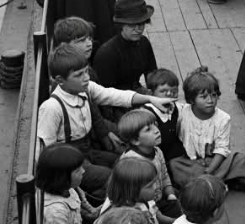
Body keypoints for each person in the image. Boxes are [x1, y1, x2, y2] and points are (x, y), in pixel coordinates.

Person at [37, 44, 173, 203]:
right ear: (60, 80)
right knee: (111, 177)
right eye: (79, 74)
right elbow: (46, 151)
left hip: (88, 150)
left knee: (124, 162)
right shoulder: (52, 108)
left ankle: (147, 198)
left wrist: (151, 99)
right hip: (69, 164)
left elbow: (113, 95)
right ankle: (119, 205)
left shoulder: (86, 89)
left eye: (86, 71)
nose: (86, 77)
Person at [168, 66, 245, 193]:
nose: (210, 101)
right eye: (203, 97)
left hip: (213, 161)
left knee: (242, 161)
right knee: (174, 165)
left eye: (214, 95)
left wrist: (210, 170)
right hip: (189, 161)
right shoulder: (182, 112)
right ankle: (216, 183)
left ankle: (208, 183)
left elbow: (222, 148)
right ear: (192, 99)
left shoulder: (223, 118)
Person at [52, 16, 124, 151]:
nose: (89, 44)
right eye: (81, 41)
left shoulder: (84, 69)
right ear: (64, 46)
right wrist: (106, 133)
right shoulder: (69, 82)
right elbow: (93, 113)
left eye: (89, 38)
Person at [93, 0, 158, 125]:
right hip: (114, 103)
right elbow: (104, 95)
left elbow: (152, 75)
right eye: (132, 24)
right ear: (121, 25)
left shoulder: (144, 43)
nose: (138, 29)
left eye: (142, 23)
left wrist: (158, 95)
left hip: (137, 91)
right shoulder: (107, 54)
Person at [94, 155, 166, 224]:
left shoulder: (143, 200)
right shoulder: (122, 220)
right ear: (132, 190)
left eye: (155, 182)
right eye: (150, 185)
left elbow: (157, 220)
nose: (156, 187)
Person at [116, 109, 182, 222]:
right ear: (135, 140)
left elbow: (164, 175)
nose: (157, 131)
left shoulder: (157, 151)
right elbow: (134, 197)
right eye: (148, 129)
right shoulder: (131, 161)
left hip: (160, 197)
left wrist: (170, 193)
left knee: (185, 200)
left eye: (155, 125)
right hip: (143, 208)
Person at [142, 68, 186, 166]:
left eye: (174, 91)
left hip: (173, 152)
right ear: (150, 93)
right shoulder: (147, 113)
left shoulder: (175, 107)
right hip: (155, 155)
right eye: (163, 91)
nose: (170, 94)